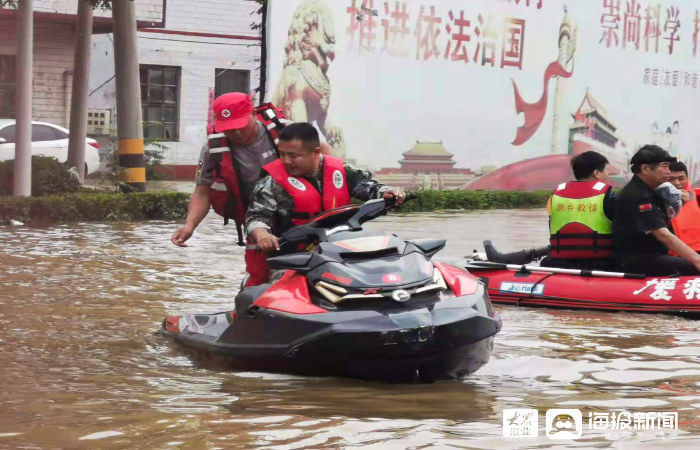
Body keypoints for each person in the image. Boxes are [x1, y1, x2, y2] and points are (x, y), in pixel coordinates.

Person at [245, 122, 405, 284]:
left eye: (293, 156)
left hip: (339, 254)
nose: (286, 161)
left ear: (316, 153)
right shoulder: (271, 183)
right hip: (294, 259)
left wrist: (386, 192)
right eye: (282, 154)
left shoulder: (342, 171)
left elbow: (367, 186)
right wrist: (263, 235)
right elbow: (256, 217)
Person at [483, 151, 615, 269]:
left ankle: (506, 259)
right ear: (597, 173)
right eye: (606, 171)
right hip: (599, 262)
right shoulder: (609, 196)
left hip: (559, 260)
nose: (608, 175)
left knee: (555, 249)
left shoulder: (557, 195)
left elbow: (552, 227)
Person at [613, 145, 700, 276]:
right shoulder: (638, 195)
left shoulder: (649, 192)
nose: (668, 172)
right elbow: (663, 235)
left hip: (654, 257)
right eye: (664, 166)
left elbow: (662, 222)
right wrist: (697, 260)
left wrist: (681, 202)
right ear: (645, 169)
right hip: (640, 261)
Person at [668, 160, 700, 251]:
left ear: (687, 178)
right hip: (676, 254)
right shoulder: (655, 200)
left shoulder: (697, 196)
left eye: (681, 178)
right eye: (671, 179)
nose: (677, 183)